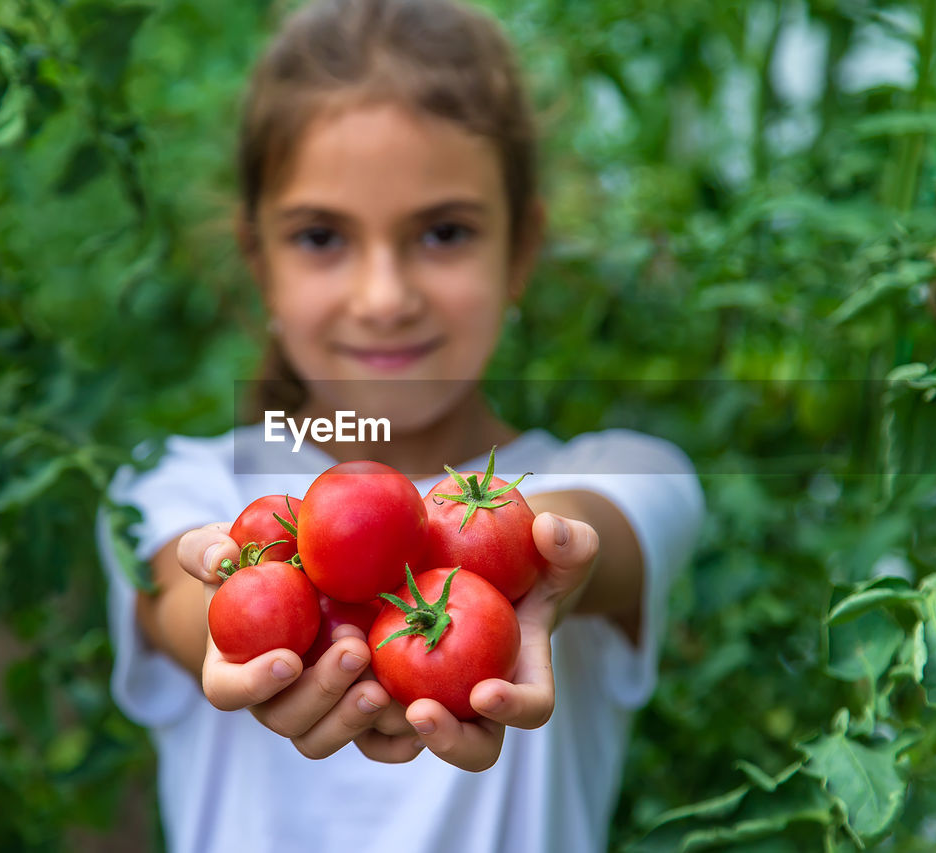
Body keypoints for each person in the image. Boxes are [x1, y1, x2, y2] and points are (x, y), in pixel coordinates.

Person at [96, 1, 704, 850]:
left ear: (522, 248)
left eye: (443, 232)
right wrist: (241, 600)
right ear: (257, 262)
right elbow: (185, 595)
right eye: (321, 237)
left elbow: (587, 532)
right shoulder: (175, 486)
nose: (384, 297)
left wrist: (532, 562)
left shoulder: (632, 473)